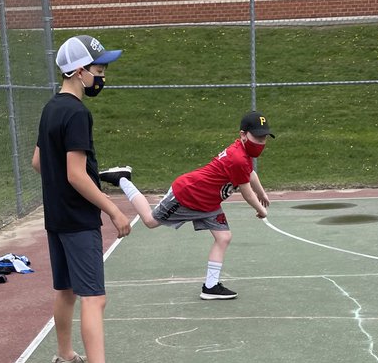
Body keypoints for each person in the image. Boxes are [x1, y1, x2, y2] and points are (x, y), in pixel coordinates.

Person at [32, 33, 148, 363]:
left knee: (66, 289)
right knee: (94, 299)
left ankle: (65, 357)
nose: (102, 76)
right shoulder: (78, 113)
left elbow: (38, 161)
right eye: (98, 69)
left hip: (56, 217)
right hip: (79, 220)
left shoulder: (51, 108)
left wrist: (60, 187)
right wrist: (113, 209)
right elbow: (76, 174)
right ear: (79, 71)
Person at [100, 110, 272, 301]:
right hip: (187, 194)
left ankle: (210, 286)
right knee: (150, 221)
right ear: (243, 135)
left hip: (208, 203)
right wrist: (261, 209)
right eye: (257, 137)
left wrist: (262, 193)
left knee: (223, 237)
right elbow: (246, 193)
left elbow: (250, 173)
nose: (261, 142)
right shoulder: (238, 157)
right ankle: (122, 178)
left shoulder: (243, 152)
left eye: (264, 138)